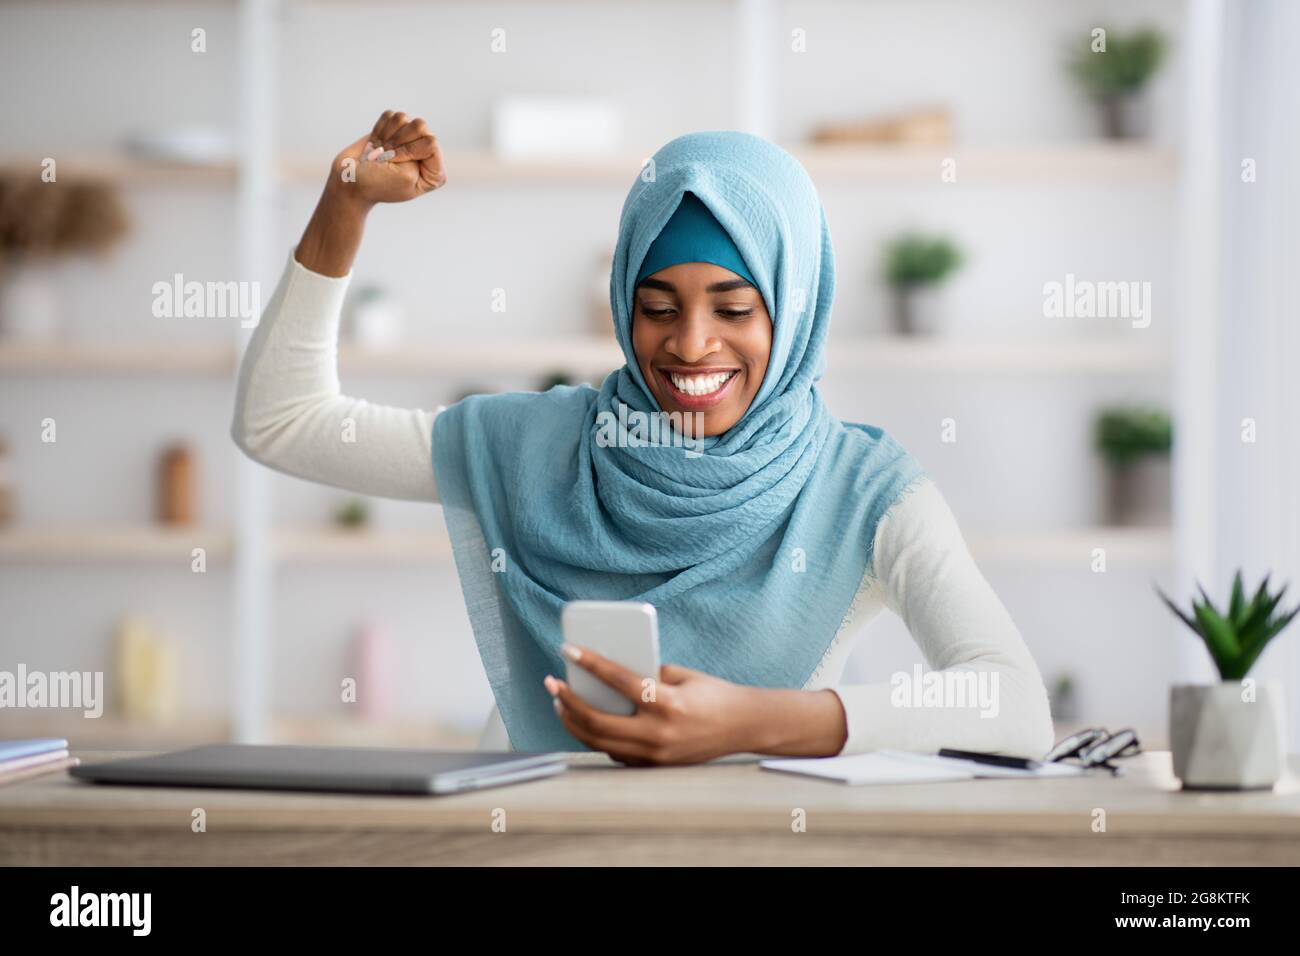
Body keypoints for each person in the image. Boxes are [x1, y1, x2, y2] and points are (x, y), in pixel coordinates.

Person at [232, 109, 1054, 765]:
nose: (692, 345)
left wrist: (756, 721)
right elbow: (283, 422)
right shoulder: (537, 445)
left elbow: (1013, 702)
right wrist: (346, 200)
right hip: (526, 844)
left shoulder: (863, 488)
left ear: (794, 310)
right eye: (658, 308)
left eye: (734, 309)